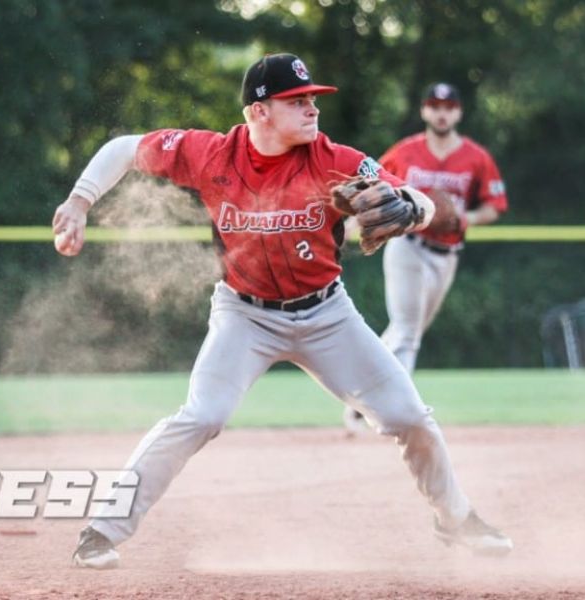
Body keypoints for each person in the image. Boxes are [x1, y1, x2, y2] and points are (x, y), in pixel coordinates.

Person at [52, 53, 513, 569]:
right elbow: (124, 149)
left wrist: (412, 208)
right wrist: (80, 201)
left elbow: (411, 197)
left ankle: (455, 519)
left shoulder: (332, 157)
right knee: (202, 415)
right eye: (297, 101)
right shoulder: (211, 155)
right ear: (259, 111)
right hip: (243, 316)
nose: (311, 108)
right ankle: (101, 530)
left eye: (312, 98)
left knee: (411, 417)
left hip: (327, 316)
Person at [343, 82, 508, 434]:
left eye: (448, 106)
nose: (442, 112)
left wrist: (466, 218)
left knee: (410, 331)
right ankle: (395, 411)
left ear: (459, 112)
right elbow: (369, 176)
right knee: (406, 331)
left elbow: (494, 206)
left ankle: (359, 391)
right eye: (434, 105)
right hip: (408, 246)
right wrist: (356, 211)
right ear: (424, 111)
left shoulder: (475, 157)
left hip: (446, 254)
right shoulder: (406, 152)